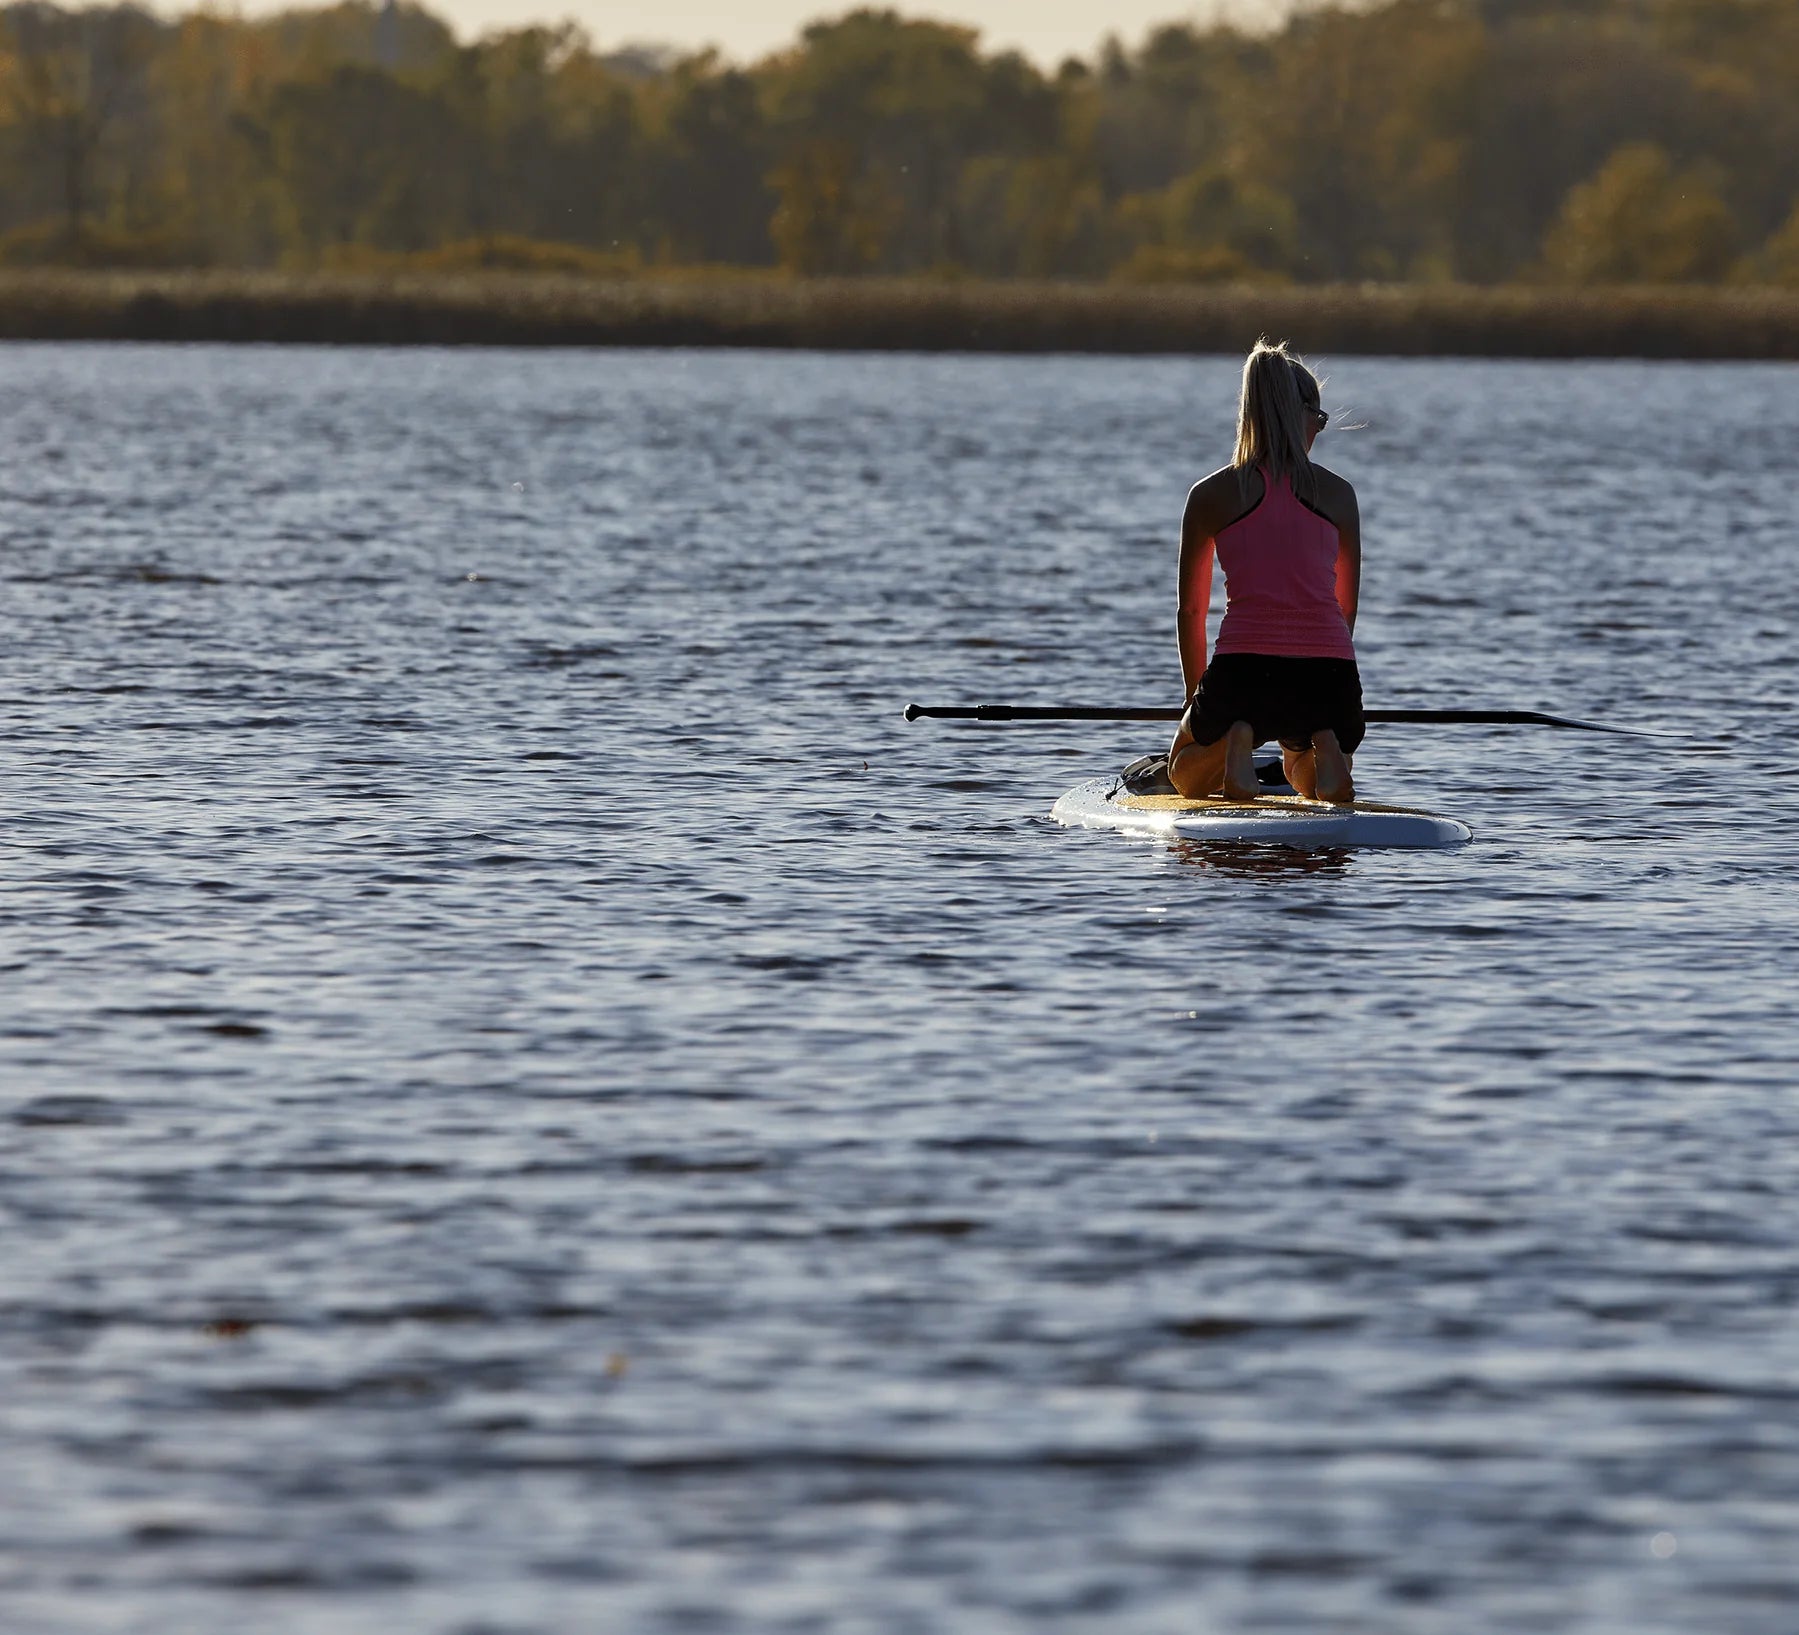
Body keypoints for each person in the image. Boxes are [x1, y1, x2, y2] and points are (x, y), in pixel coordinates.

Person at [1168, 339, 1362, 804]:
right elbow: (1345, 607)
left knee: (1184, 774)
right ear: (1302, 417)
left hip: (1244, 670)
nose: (1319, 430)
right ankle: (1325, 745)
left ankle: (1237, 741)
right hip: (1330, 673)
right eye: (1319, 420)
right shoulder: (1339, 495)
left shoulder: (1211, 494)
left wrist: (1197, 698)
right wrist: (1323, 678)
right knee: (1302, 773)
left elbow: (1192, 609)